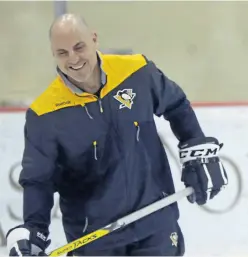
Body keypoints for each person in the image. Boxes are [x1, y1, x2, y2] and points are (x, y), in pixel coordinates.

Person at [6, 13, 228, 256]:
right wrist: (34, 230)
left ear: (94, 39)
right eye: (63, 53)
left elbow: (176, 104)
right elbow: (39, 180)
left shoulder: (136, 72)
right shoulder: (44, 114)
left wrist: (196, 147)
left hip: (156, 225)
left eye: (79, 47)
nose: (73, 59)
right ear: (53, 55)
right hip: (94, 241)